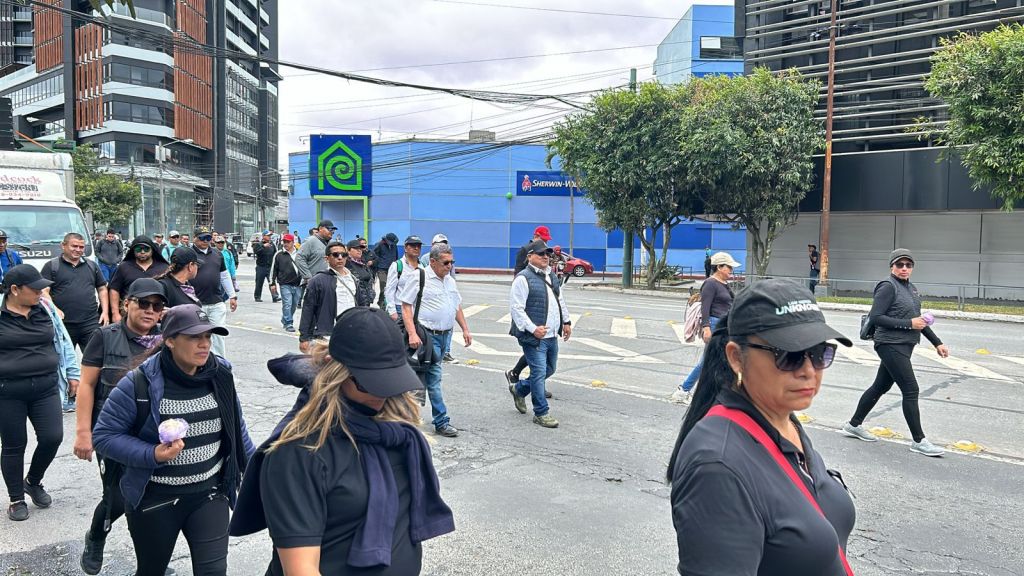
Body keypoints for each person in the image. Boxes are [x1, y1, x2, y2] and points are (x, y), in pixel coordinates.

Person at [230, 308, 455, 575]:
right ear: (336, 373)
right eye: (368, 382)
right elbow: (302, 570)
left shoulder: (401, 436)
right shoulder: (300, 453)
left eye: (389, 380)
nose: (380, 393)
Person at [667, 280, 856, 575]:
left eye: (819, 353)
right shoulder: (717, 465)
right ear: (735, 357)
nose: (808, 370)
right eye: (789, 355)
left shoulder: (781, 417)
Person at [92, 304, 255, 576]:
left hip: (210, 495)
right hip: (156, 499)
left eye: (208, 337)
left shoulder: (221, 374)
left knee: (214, 572)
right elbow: (104, 436)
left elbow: (238, 430)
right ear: (169, 340)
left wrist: (257, 476)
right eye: (194, 337)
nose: (204, 345)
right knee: (151, 570)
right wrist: (153, 454)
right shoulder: (138, 383)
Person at [73, 278, 167, 575]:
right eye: (143, 303)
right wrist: (83, 433)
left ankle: (152, 562)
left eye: (157, 306)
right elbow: (87, 385)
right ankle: (97, 536)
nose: (149, 311)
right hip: (112, 434)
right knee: (118, 498)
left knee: (153, 500)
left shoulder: (169, 340)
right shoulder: (104, 337)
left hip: (153, 434)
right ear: (127, 304)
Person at [842, 248, 949, 457]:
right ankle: (919, 441)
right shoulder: (887, 287)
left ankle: (853, 425)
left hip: (904, 344)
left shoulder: (912, 289)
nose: (904, 268)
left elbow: (919, 321)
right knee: (911, 389)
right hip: (890, 344)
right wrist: (909, 323)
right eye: (900, 265)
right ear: (892, 266)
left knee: (880, 386)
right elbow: (876, 317)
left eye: (908, 265)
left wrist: (937, 343)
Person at [0, 265, 77, 521]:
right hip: (8, 392)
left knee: (52, 437)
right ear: (14, 290)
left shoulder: (44, 308)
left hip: (45, 387)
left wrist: (73, 374)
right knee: (14, 445)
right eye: (34, 288)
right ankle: (16, 498)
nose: (40, 292)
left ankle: (33, 481)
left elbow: (64, 341)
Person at [400, 242, 472, 438]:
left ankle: (408, 417)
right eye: (446, 262)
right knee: (432, 378)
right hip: (426, 336)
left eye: (452, 262)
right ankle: (440, 420)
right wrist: (413, 333)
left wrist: (465, 329)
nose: (449, 266)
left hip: (444, 336)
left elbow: (456, 306)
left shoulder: (450, 280)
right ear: (432, 261)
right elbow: (406, 307)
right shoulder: (419, 277)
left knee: (425, 378)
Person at [507, 241, 571, 428]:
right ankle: (541, 412)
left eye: (548, 254)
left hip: (551, 334)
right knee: (538, 372)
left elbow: (559, 300)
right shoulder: (523, 278)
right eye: (541, 254)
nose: (546, 257)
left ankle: (519, 389)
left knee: (550, 369)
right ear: (530, 257)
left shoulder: (551, 275)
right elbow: (516, 309)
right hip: (534, 336)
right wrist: (532, 328)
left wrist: (566, 322)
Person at [671, 251, 740, 405]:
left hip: (723, 326)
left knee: (722, 361)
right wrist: (706, 327)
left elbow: (733, 302)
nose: (731, 270)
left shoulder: (724, 284)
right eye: (729, 267)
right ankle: (683, 390)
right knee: (708, 361)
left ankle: (715, 393)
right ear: (719, 267)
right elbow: (705, 308)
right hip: (714, 325)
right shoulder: (710, 283)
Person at [40, 232, 109, 350]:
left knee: (96, 359)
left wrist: (105, 312)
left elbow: (102, 288)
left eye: (81, 247)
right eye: (74, 246)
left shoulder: (92, 266)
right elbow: (43, 291)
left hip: (90, 322)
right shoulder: (51, 266)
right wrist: (55, 310)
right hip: (64, 323)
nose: (78, 250)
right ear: (63, 245)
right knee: (66, 362)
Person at [298, 241, 369, 353]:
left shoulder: (353, 279)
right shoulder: (317, 280)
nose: (340, 258)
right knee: (329, 369)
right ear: (327, 258)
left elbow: (362, 306)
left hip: (352, 333)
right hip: (328, 336)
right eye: (336, 255)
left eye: (343, 255)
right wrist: (304, 338)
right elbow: (308, 309)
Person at [505, 226, 554, 384]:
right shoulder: (525, 250)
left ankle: (521, 375)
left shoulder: (545, 252)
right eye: (543, 239)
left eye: (546, 241)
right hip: (528, 299)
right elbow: (519, 271)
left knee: (540, 348)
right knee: (534, 346)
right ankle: (532, 382)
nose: (545, 243)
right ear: (535, 236)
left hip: (543, 297)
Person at [189, 226, 237, 358]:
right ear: (195, 238)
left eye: (208, 238)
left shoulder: (217, 254)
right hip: (196, 303)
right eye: (202, 238)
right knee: (197, 336)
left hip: (216, 302)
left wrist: (232, 295)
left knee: (218, 336)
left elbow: (224, 275)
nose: (206, 241)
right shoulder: (188, 254)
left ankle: (220, 365)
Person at [108, 235, 169, 324]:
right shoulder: (124, 267)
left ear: (152, 250)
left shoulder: (164, 268)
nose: (142, 252)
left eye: (146, 249)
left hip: (155, 314)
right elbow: (114, 289)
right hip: (130, 314)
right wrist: (115, 313)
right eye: (138, 249)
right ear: (133, 250)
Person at [295, 220, 336, 308]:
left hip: (330, 282)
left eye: (333, 230)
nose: (332, 232)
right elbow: (299, 258)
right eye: (329, 229)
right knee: (313, 310)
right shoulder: (310, 241)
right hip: (315, 283)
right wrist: (308, 276)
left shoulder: (332, 243)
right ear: (320, 229)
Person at [268, 234, 303, 332]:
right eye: (284, 242)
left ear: (293, 242)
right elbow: (273, 269)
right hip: (284, 284)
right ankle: (288, 322)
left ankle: (285, 318)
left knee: (294, 304)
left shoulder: (300, 254)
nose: (286, 244)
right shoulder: (279, 254)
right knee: (287, 304)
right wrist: (272, 283)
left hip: (298, 284)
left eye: (288, 242)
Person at [384, 235, 424, 319]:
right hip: (400, 309)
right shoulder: (397, 265)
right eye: (413, 245)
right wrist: (392, 312)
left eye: (419, 246)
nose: (416, 248)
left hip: (418, 310)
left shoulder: (423, 266)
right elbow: (389, 290)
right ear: (405, 248)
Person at [346, 239, 377, 307]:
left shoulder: (362, 263)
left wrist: (371, 294)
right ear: (348, 250)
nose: (359, 250)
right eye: (356, 248)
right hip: (354, 303)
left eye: (361, 248)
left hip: (365, 301)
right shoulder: (346, 264)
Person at [372, 233, 399, 308]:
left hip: (392, 269)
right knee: (384, 286)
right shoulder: (379, 244)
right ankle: (382, 304)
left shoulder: (394, 245)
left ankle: (389, 303)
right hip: (381, 269)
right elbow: (374, 255)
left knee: (392, 286)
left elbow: (396, 256)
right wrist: (379, 262)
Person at [253, 232, 278, 303]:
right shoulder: (259, 244)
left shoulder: (272, 244)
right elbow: (256, 252)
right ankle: (257, 296)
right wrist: (263, 246)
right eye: (268, 235)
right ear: (263, 236)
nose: (269, 237)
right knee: (259, 282)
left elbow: (275, 254)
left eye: (270, 236)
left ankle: (275, 296)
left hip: (270, 266)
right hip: (261, 266)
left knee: (272, 282)